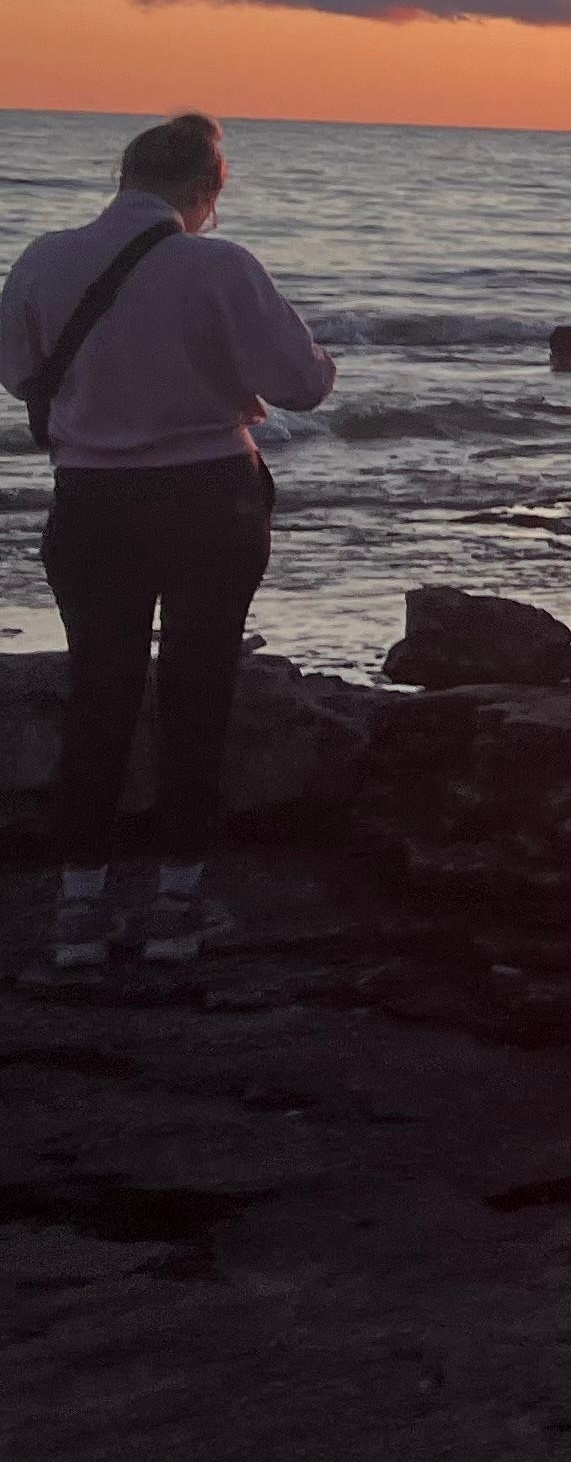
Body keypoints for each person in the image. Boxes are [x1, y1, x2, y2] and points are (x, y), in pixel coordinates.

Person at [4, 115, 335, 969]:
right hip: (208, 500)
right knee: (198, 691)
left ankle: (79, 908)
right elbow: (301, 384)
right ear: (204, 191)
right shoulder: (217, 263)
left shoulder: (44, 256)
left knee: (100, 689)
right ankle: (177, 905)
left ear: (124, 176)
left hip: (91, 503)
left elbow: (14, 366)